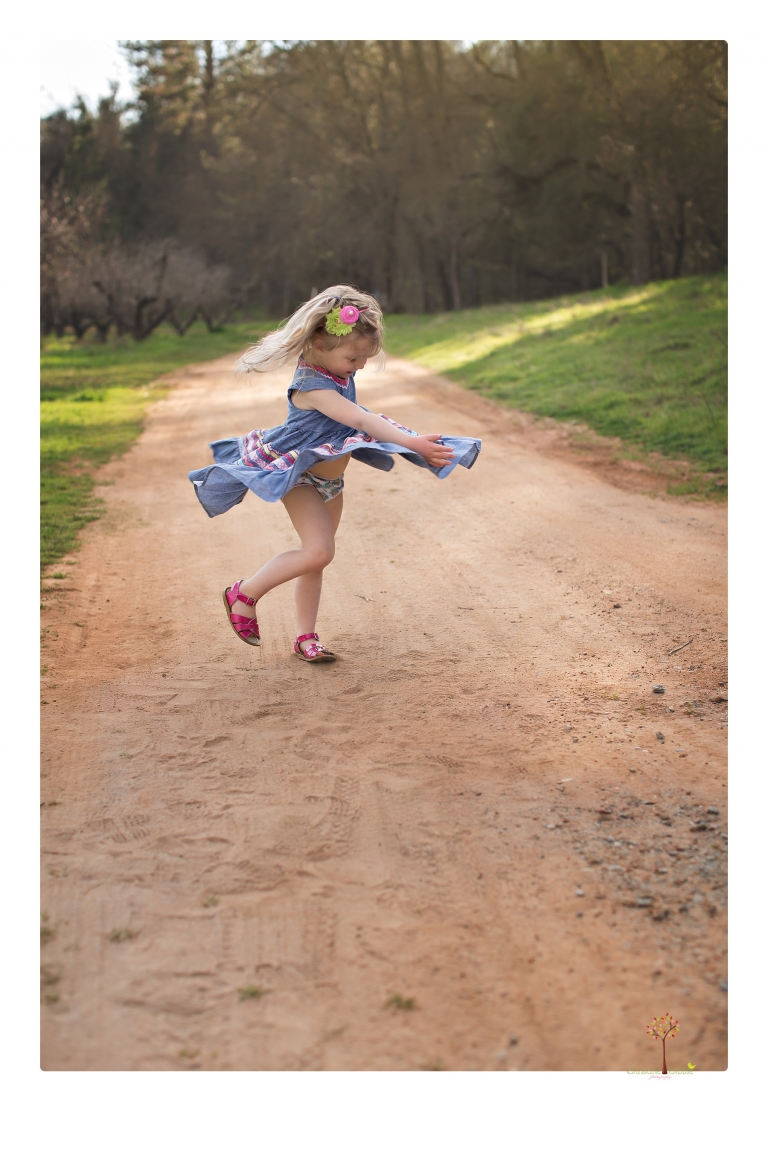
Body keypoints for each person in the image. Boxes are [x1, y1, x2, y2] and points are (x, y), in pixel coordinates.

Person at [188, 285, 481, 662]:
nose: (358, 366)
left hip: (331, 482)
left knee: (317, 557)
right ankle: (243, 594)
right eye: (353, 357)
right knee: (319, 550)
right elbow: (359, 418)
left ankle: (305, 637)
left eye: (363, 359)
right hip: (302, 477)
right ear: (319, 345)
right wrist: (413, 444)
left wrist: (410, 438)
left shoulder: (336, 370)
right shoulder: (310, 386)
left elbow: (360, 416)